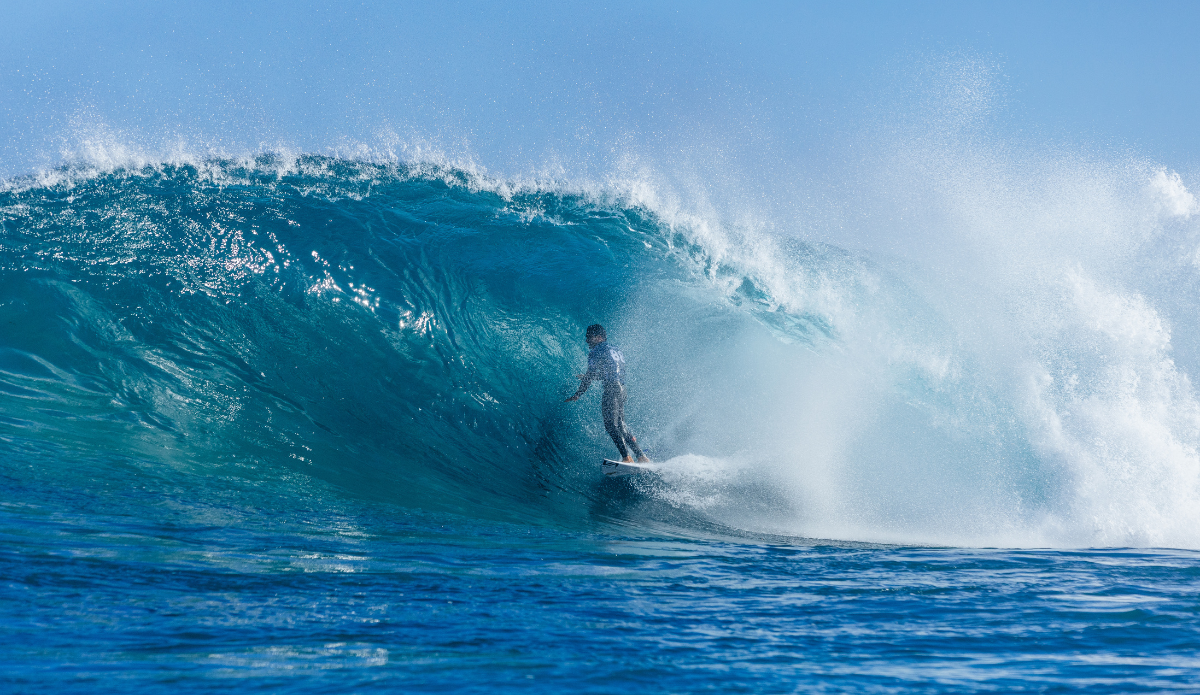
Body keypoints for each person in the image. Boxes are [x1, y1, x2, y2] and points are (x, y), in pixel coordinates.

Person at [565, 324, 650, 463]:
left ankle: (627, 458)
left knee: (611, 425)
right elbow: (612, 372)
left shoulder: (596, 351)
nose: (587, 340)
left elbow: (591, 374)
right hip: (622, 389)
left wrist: (578, 393)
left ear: (599, 337)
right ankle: (641, 456)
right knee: (621, 425)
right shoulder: (615, 349)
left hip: (611, 390)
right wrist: (589, 377)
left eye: (589, 337)